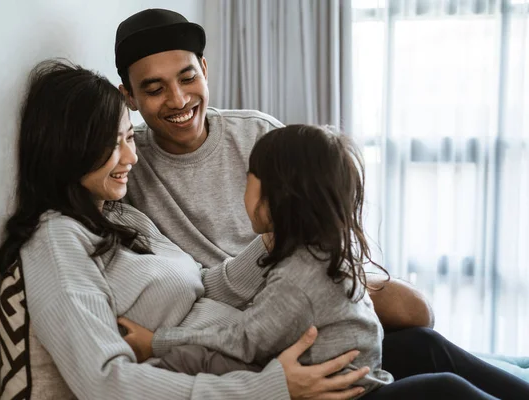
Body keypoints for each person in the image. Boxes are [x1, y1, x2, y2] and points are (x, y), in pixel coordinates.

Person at [114, 8, 529, 399]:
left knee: (418, 323)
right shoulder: (127, 163)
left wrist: (324, 265)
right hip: (244, 303)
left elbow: (321, 208)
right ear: (129, 96)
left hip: (300, 272)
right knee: (440, 386)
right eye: (154, 89)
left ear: (204, 70)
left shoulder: (259, 133)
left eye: (187, 78)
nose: (178, 99)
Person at [0, 59, 378, 400]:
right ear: (68, 149)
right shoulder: (56, 240)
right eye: (113, 145)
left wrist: (273, 242)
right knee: (437, 382)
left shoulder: (118, 215)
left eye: (129, 137)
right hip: (251, 373)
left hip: (262, 348)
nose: (132, 156)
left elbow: (199, 286)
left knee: (423, 345)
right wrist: (271, 390)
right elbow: (106, 383)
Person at [122, 125, 394, 398]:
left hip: (334, 391)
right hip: (364, 379)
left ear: (277, 194)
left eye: (248, 179)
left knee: (190, 360)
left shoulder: (297, 277)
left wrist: (155, 343)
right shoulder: (327, 252)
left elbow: (243, 341)